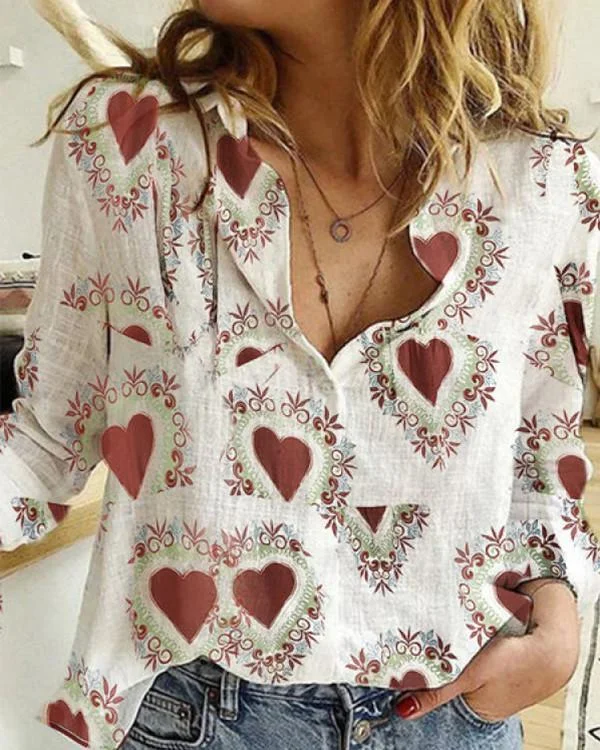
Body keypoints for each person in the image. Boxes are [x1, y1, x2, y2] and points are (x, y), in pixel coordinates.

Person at [2, 1, 600, 748]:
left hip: (455, 709)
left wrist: (558, 607)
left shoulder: (542, 179)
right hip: (198, 714)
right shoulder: (129, 143)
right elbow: (47, 439)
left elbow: (540, 453)